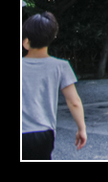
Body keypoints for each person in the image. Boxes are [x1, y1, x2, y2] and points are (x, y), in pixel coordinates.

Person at [22, 12, 87, 159]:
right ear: (52, 38)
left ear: (25, 42)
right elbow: (74, 102)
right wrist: (81, 128)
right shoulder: (61, 66)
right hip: (43, 133)